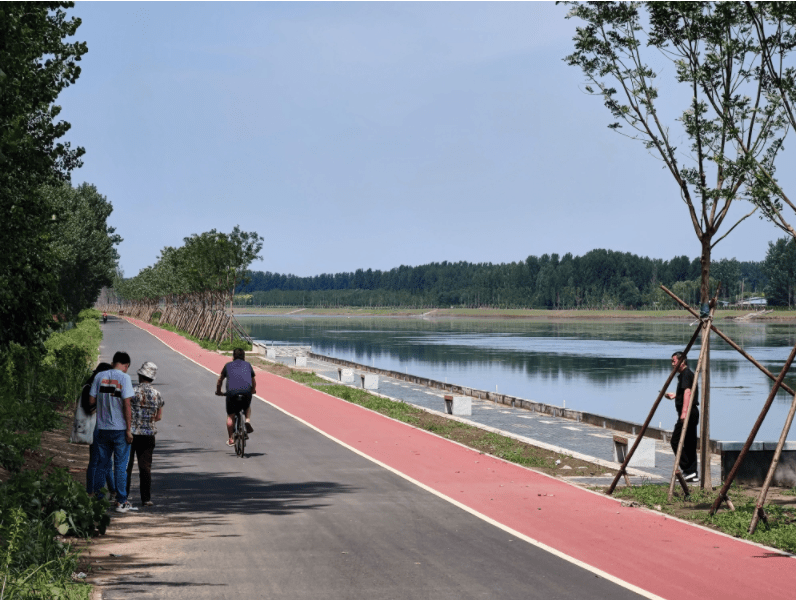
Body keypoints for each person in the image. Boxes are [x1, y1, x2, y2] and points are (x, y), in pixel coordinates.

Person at [89, 351, 137, 512]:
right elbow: (127, 405)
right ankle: (121, 501)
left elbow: (91, 400)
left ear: (113, 361)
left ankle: (99, 498)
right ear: (125, 365)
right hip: (120, 429)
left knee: (102, 465)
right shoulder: (124, 378)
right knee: (120, 466)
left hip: (102, 428)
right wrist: (129, 429)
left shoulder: (99, 377)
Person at [126, 362, 164, 507]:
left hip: (131, 433)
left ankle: (124, 497)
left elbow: (126, 411)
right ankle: (146, 499)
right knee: (145, 467)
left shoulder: (132, 391)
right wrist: (148, 419)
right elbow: (159, 417)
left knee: (127, 467)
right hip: (148, 435)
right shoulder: (157, 394)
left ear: (140, 375)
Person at [665, 351, 700, 482]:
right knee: (689, 443)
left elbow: (688, 392)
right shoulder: (685, 375)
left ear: (682, 361)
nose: (672, 364)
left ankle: (688, 469)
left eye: (674, 361)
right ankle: (692, 473)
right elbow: (684, 392)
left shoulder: (686, 374)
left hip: (688, 413)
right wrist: (675, 396)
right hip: (689, 412)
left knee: (676, 440)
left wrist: (684, 412)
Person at [82, 362, 115, 497]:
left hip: (105, 427)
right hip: (96, 427)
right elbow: (88, 408)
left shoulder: (100, 387)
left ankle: (112, 491)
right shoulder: (89, 388)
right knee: (96, 461)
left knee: (106, 461)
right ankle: (91, 491)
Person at [215, 348, 256, 447]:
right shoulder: (248, 365)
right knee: (247, 406)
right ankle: (247, 421)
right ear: (244, 357)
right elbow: (253, 381)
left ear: (233, 357)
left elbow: (220, 380)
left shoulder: (228, 365)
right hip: (246, 392)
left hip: (231, 393)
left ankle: (231, 439)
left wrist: (219, 391)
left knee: (230, 416)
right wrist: (253, 390)